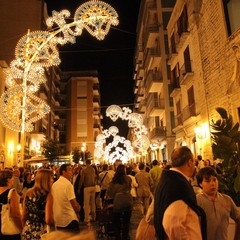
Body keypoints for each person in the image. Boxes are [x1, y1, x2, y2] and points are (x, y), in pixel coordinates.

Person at [154, 146, 207, 240]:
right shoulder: (178, 186)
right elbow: (173, 222)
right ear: (190, 162)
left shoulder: (168, 180)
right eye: (194, 161)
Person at [196, 167, 240, 240]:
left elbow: (238, 219)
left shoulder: (227, 199)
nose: (212, 183)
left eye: (214, 180)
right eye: (208, 181)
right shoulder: (196, 200)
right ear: (200, 184)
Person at [21, 169, 54, 239]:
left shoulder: (28, 193)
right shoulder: (48, 195)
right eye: (51, 178)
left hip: (28, 229)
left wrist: (24, 228)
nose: (53, 180)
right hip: (41, 231)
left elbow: (23, 216)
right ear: (46, 180)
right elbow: (48, 219)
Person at [107, 164, 133, 240]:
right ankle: (125, 236)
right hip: (128, 201)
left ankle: (118, 236)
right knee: (126, 221)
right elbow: (130, 187)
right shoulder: (128, 179)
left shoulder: (113, 181)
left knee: (116, 221)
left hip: (118, 202)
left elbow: (110, 194)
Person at [52, 164, 80, 232]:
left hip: (58, 220)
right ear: (64, 172)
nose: (72, 172)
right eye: (70, 170)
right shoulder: (68, 185)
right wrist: (78, 208)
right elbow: (74, 204)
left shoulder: (54, 185)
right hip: (69, 219)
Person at [0, 169, 22, 240]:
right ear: (8, 179)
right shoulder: (12, 193)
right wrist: (22, 227)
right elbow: (15, 214)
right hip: (8, 229)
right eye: (12, 178)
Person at [79, 159, 96, 224]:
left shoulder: (84, 170)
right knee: (92, 203)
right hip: (93, 186)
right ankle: (94, 217)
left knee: (86, 204)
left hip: (87, 187)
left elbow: (82, 180)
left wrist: (79, 188)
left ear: (86, 163)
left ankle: (86, 219)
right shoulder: (93, 169)